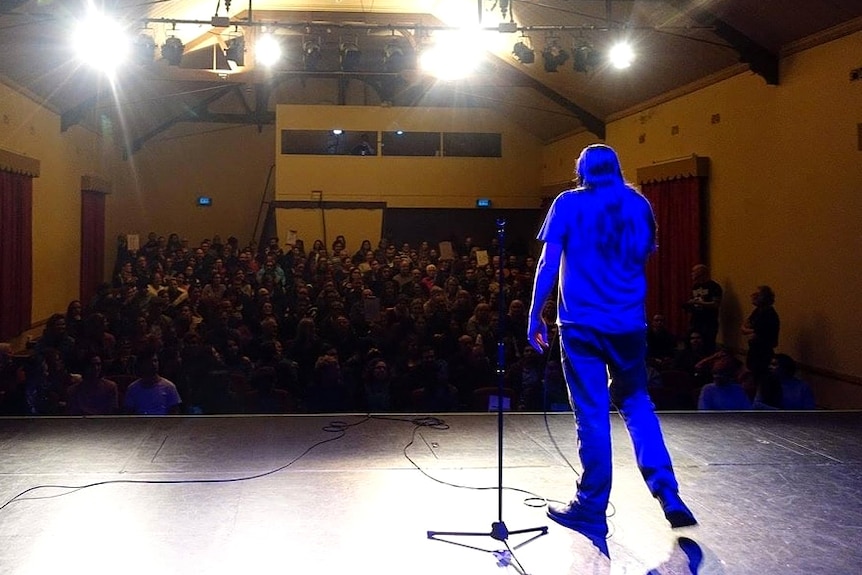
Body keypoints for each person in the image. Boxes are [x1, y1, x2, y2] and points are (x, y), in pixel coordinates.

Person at [527, 144, 696, 552]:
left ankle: (591, 505)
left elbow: (548, 263)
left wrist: (535, 313)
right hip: (628, 325)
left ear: (581, 169)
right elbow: (642, 257)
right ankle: (666, 490)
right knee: (637, 405)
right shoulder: (638, 205)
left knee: (592, 414)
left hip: (582, 324)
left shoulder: (568, 203)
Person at [123, 348, 182, 415]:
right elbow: (129, 413)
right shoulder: (132, 388)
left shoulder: (169, 387)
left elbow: (174, 413)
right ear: (142, 364)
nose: (153, 364)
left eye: (155, 361)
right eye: (149, 362)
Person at [683, 264, 722, 351]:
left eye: (694, 271)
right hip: (695, 320)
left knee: (707, 345)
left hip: (709, 322)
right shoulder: (695, 286)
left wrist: (698, 302)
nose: (692, 274)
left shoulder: (714, 286)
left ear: (701, 272)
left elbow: (716, 304)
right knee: (690, 343)